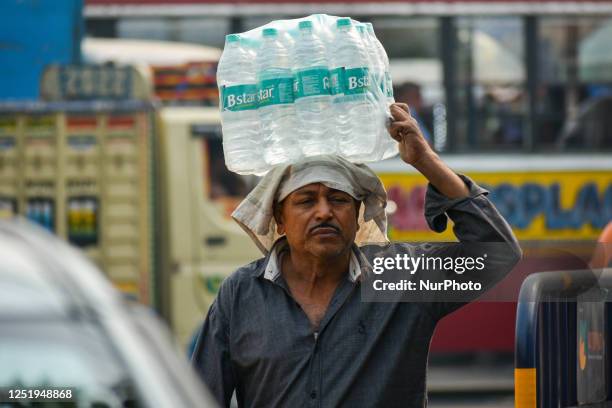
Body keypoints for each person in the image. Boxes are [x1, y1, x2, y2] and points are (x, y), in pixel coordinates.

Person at [192, 103, 522, 407]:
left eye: (338, 200)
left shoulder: (400, 276)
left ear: (357, 214)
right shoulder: (241, 293)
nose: (323, 212)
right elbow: (200, 396)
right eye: (306, 201)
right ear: (279, 218)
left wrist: (425, 160)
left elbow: (496, 253)